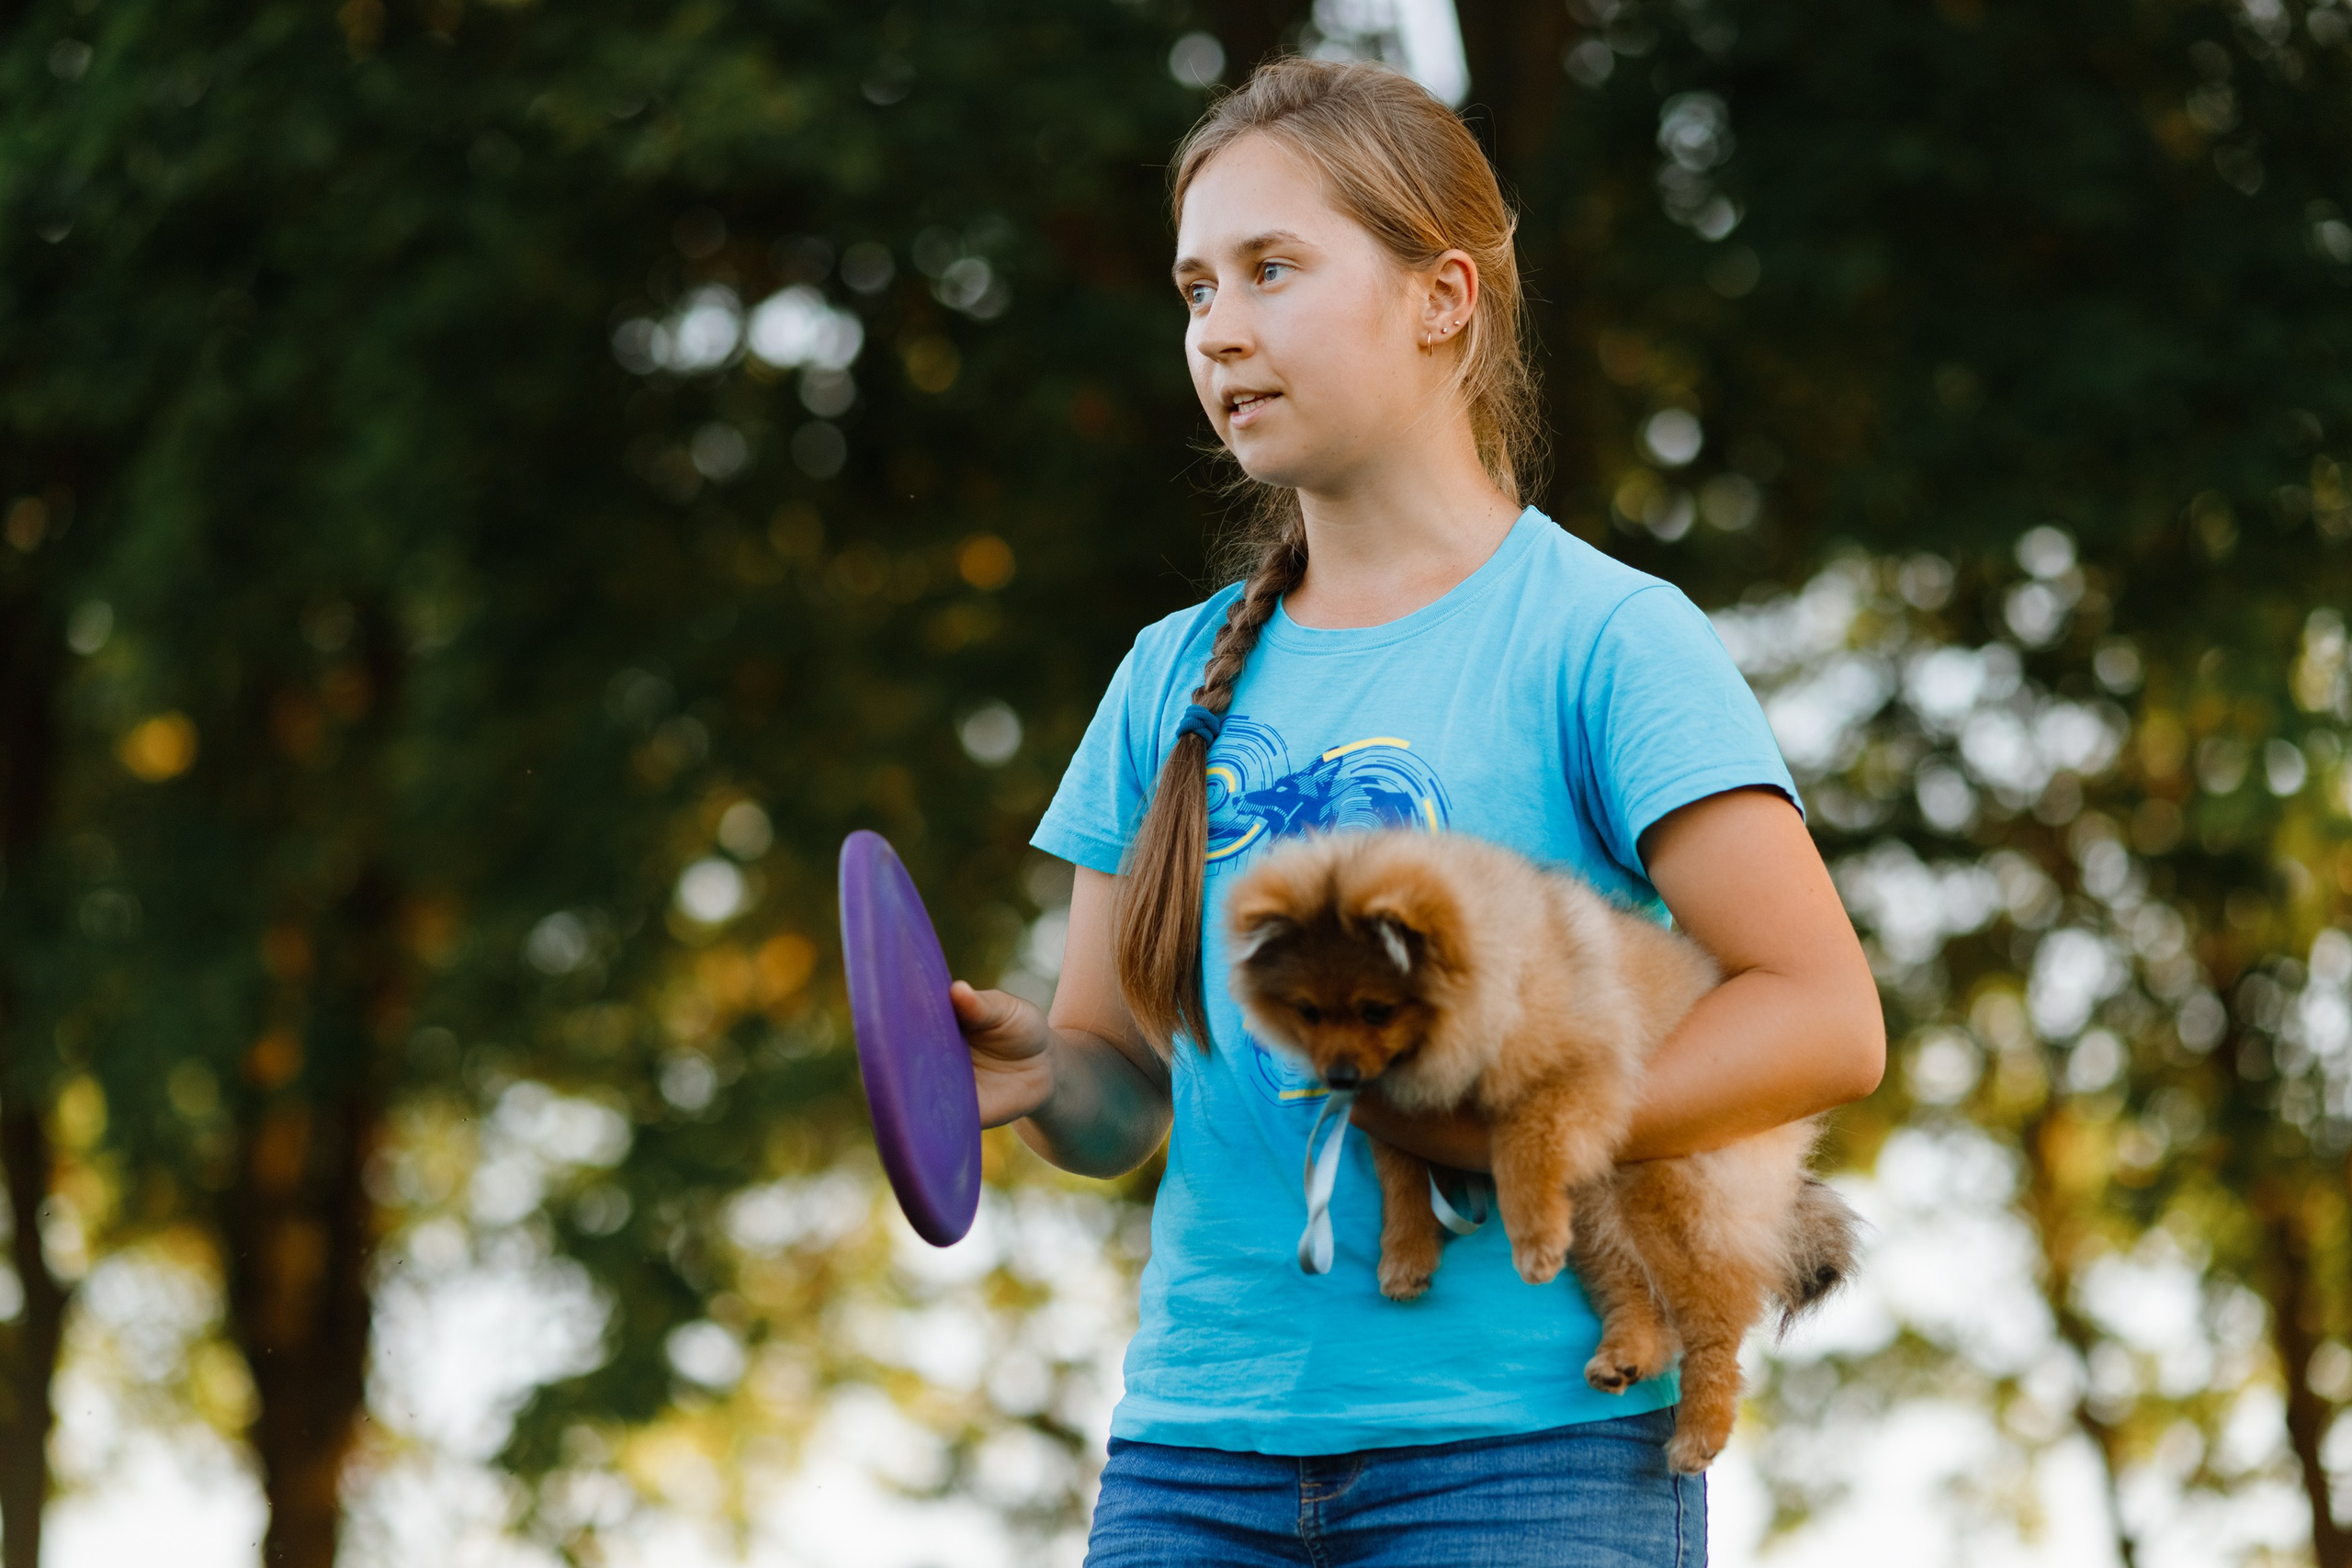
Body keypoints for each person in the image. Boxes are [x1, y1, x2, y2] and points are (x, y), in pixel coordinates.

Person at [948, 55, 1884, 1567]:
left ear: (1443, 298)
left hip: (1533, 1462)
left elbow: (1825, 1016)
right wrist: (1037, 1078)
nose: (1220, 332)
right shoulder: (1163, 678)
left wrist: (1513, 1137)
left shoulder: (1605, 638)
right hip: (1196, 1461)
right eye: (1195, 291)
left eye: (1271, 270)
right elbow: (1125, 1093)